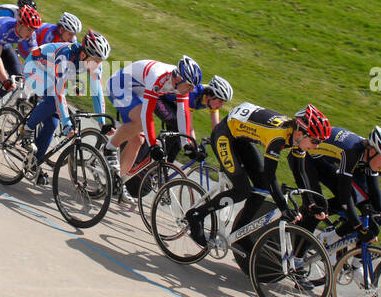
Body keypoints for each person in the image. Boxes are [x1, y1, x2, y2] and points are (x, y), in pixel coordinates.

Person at [183, 103, 330, 259]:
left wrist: (311, 204)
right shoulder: (279, 137)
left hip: (241, 137)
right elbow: (271, 175)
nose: (316, 146)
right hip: (224, 135)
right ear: (301, 133)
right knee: (242, 189)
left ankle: (240, 233)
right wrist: (284, 208)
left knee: (263, 187)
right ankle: (197, 215)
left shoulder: (296, 138)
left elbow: (300, 173)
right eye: (315, 141)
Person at [22, 29, 111, 184]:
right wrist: (67, 123)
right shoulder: (66, 57)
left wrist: (102, 124)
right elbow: (59, 94)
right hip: (34, 67)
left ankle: (32, 163)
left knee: (51, 124)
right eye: (96, 61)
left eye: (101, 61)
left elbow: (97, 94)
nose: (99, 65)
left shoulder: (94, 63)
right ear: (84, 55)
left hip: (50, 70)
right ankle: (27, 129)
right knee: (51, 100)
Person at [104, 56, 202, 188]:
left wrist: (187, 144)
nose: (192, 90)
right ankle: (109, 147)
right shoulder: (159, 77)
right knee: (139, 122)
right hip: (119, 85)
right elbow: (146, 115)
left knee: (138, 140)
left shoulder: (180, 85)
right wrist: (153, 145)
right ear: (179, 79)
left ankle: (115, 183)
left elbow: (183, 114)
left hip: (136, 92)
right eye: (190, 86)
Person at [303, 124, 381, 245]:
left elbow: (374, 192)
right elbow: (345, 195)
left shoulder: (369, 156)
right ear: (373, 151)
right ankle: (296, 257)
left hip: (327, 160)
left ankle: (327, 239)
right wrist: (358, 226)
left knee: (361, 202)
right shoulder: (352, 152)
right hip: (308, 158)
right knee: (319, 208)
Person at [0, 4, 43, 124]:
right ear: (20, 24)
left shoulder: (30, 33)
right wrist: (5, 80)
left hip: (4, 44)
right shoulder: (4, 28)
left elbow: (36, 56)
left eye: (34, 30)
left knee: (18, 78)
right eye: (29, 29)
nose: (31, 33)